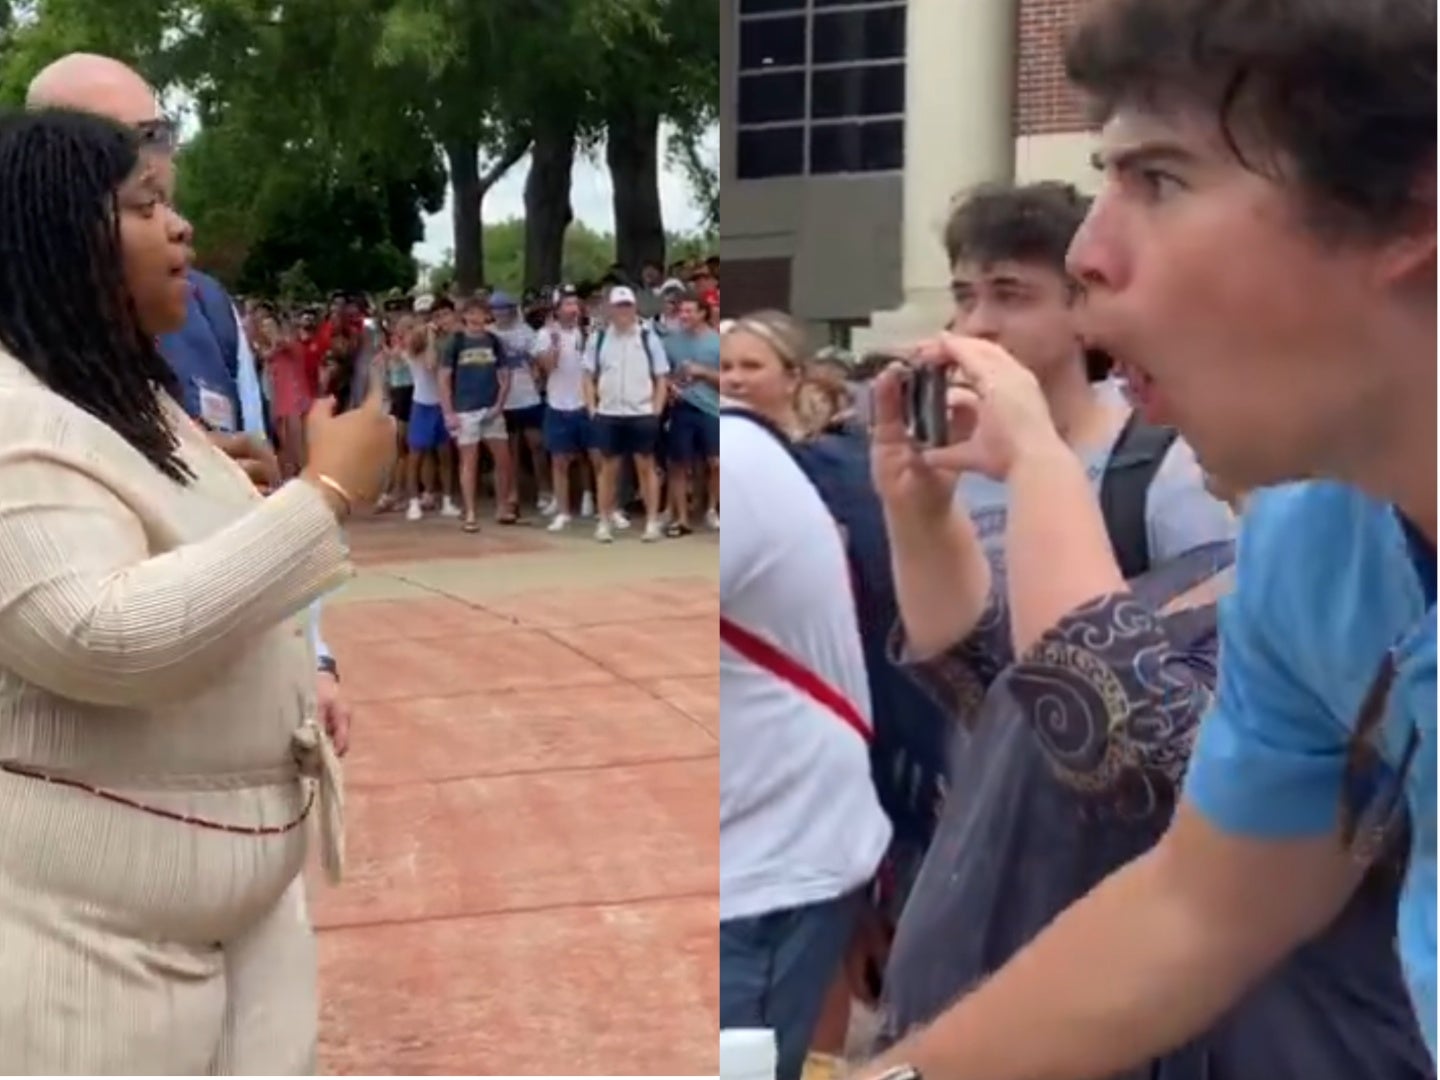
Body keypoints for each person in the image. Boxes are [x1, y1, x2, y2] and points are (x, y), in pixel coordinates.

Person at [862, 1, 1436, 1076]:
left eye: (1159, 180)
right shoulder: (1324, 542)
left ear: (1411, 204)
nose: (1092, 251)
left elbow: (1132, 753)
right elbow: (1198, 902)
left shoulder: (1188, 479)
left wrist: (1035, 464)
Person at [868, 339, 1428, 1079]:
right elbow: (1001, 697)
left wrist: (1039, 465)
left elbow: (1135, 762)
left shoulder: (1360, 602)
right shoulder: (1218, 572)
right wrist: (920, 514)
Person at [0, 107, 395, 1074]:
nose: (181, 229)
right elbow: (96, 633)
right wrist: (324, 497)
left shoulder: (126, 401)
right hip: (88, 944)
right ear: (60, 238)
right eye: (146, 206)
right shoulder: (11, 419)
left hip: (240, 917)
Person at [24, 52, 353, 753]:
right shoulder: (17, 367)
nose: (141, 158)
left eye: (153, 135)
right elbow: (99, 631)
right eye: (105, 139)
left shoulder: (202, 307)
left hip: (233, 743)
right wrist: (331, 491)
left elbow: (260, 506)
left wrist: (312, 656)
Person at [720, 310, 891, 1080]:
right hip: (796, 814)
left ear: (794, 378)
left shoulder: (792, 467)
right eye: (724, 366)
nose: (731, 378)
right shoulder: (768, 461)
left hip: (779, 837)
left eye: (750, 364)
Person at [583, 285, 669, 543]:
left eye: (627, 306)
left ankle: (652, 522)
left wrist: (656, 411)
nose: (623, 311)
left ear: (634, 308)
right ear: (610, 309)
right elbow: (587, 376)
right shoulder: (597, 339)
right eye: (618, 306)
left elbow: (661, 377)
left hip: (641, 412)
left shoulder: (647, 337)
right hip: (609, 412)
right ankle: (605, 520)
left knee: (646, 467)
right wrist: (591, 408)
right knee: (608, 469)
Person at [440, 297, 516, 530]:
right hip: (465, 409)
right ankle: (470, 511)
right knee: (468, 461)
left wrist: (499, 404)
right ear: (464, 316)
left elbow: (505, 376)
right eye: (471, 313)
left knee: (503, 458)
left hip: (491, 408)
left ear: (487, 316)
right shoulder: (456, 342)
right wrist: (449, 411)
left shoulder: (494, 341)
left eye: (480, 313)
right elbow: (443, 378)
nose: (475, 318)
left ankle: (502, 505)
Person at [662, 292, 721, 535]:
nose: (684, 316)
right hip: (682, 408)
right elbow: (660, 373)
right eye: (681, 311)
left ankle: (712, 509)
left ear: (702, 313)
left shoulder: (718, 343)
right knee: (678, 464)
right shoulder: (671, 342)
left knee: (716, 463)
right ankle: (681, 519)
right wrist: (668, 387)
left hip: (713, 409)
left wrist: (703, 372)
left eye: (689, 311)